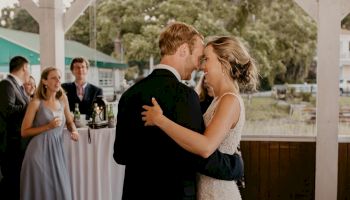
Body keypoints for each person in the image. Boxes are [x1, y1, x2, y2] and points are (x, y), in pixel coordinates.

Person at [114, 22, 243, 200]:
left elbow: (120, 155)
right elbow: (198, 155)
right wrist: (235, 166)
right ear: (183, 50)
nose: (199, 66)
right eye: (199, 56)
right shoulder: (186, 96)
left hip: (135, 192)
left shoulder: (129, 95)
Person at [142, 36, 258, 200]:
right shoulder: (219, 99)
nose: (202, 67)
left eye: (207, 59)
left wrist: (161, 120)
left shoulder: (229, 100)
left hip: (218, 193)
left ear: (223, 63)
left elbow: (205, 146)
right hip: (206, 189)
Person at [20, 67, 79, 200]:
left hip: (57, 152)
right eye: (53, 78)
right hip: (38, 154)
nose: (58, 81)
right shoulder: (35, 103)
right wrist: (48, 126)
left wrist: (74, 130)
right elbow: (24, 132)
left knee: (61, 191)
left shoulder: (63, 100)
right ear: (45, 81)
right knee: (42, 192)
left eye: (59, 77)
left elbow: (69, 122)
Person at [0, 56, 31, 199]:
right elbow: (7, 110)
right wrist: (29, 106)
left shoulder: (18, 86)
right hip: (11, 144)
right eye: (28, 69)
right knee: (11, 183)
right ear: (24, 67)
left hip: (20, 144)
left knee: (18, 183)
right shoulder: (6, 84)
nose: (29, 72)